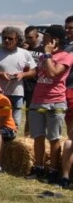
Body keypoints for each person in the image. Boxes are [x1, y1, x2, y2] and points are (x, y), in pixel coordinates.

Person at [26, 25, 73, 181]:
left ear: (55, 39)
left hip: (55, 101)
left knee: (54, 138)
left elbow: (53, 74)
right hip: (37, 100)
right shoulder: (41, 57)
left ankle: (53, 170)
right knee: (38, 136)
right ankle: (38, 167)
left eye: (45, 35)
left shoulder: (66, 56)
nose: (42, 38)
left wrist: (47, 54)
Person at [0, 26, 35, 129]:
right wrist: (0, 74)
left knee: (15, 123)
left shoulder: (25, 53)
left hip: (17, 93)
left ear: (17, 40)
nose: (6, 40)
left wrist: (22, 74)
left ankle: (12, 141)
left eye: (10, 38)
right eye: (4, 38)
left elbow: (33, 72)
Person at [23, 25, 43, 135]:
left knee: (30, 113)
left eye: (31, 37)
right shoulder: (23, 49)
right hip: (21, 83)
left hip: (35, 84)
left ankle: (28, 136)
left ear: (37, 36)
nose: (28, 40)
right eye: (26, 37)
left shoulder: (42, 49)